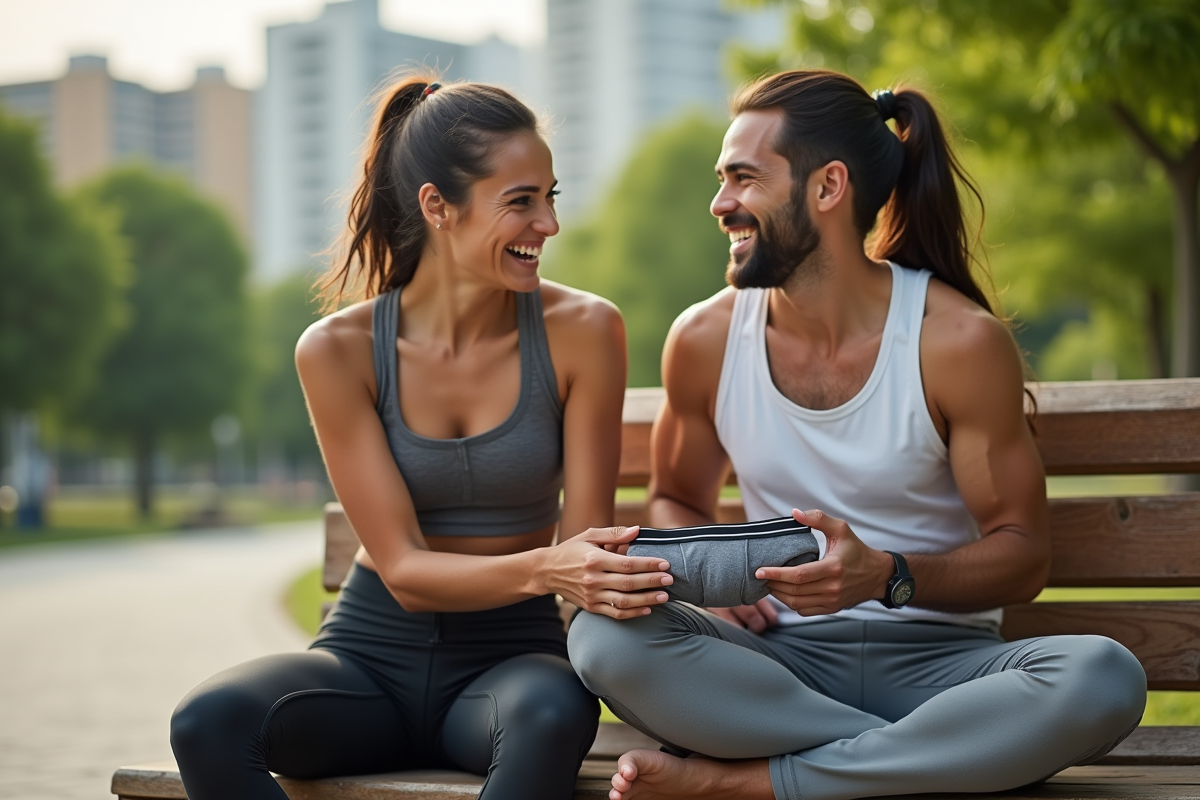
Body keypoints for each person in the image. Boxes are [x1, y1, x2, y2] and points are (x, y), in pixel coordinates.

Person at [568, 69, 1148, 800]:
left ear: (828, 187)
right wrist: (714, 590)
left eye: (745, 179)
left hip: (942, 671)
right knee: (601, 635)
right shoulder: (705, 339)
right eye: (722, 180)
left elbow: (1022, 555)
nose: (720, 203)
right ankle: (926, 759)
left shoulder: (956, 342)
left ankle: (748, 784)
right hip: (779, 671)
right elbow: (677, 497)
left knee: (1104, 676)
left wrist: (886, 575)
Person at [169, 75, 676, 800]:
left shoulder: (586, 330)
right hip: (367, 660)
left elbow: (586, 551)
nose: (549, 224)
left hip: (512, 664)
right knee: (206, 723)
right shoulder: (337, 351)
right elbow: (404, 572)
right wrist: (548, 567)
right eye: (521, 201)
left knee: (548, 715)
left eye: (550, 196)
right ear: (438, 206)